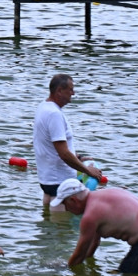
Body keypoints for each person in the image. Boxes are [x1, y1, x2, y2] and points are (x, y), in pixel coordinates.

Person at [53, 178, 138, 273]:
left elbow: (79, 255)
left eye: (65, 204)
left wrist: (67, 270)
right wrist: (89, 263)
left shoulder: (90, 217)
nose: (66, 209)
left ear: (74, 200)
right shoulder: (101, 197)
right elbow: (93, 244)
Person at [32, 74, 103, 209]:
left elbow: (50, 145)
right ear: (59, 91)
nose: (73, 93)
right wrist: (88, 170)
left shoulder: (43, 107)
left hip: (47, 180)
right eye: (70, 89)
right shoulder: (54, 114)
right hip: (60, 182)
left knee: (49, 224)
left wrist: (78, 158)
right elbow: (63, 153)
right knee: (64, 227)